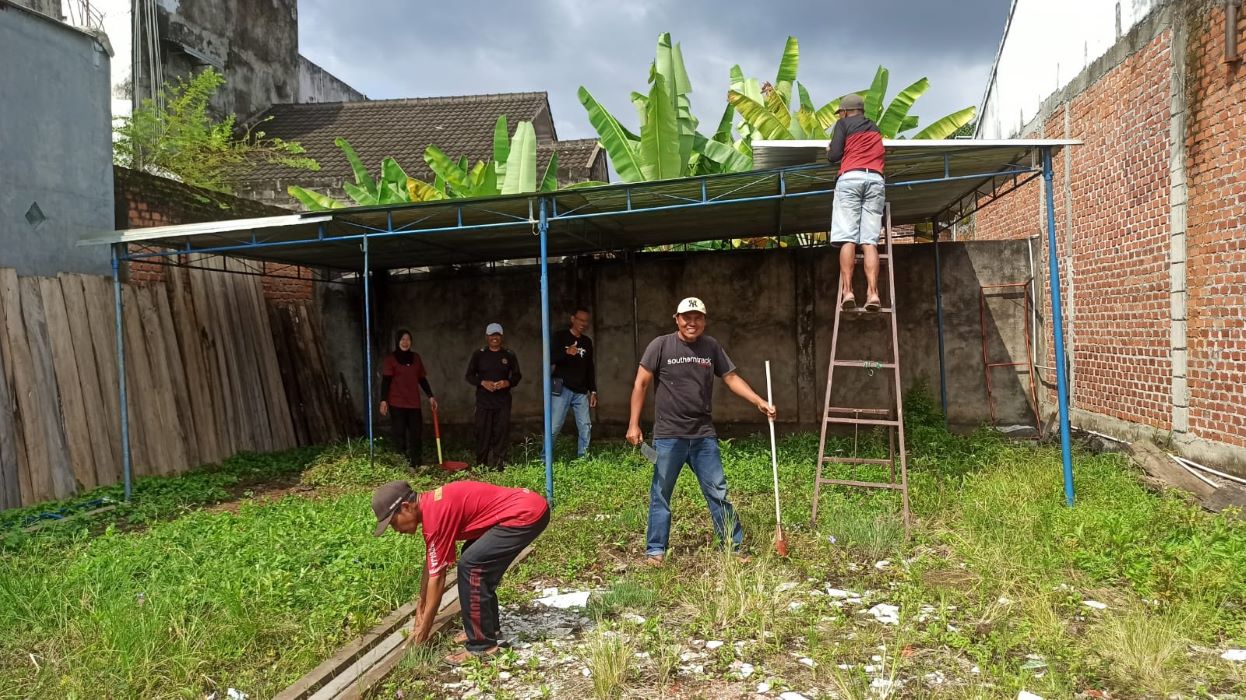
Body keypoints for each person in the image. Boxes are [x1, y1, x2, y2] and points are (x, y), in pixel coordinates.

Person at [625, 297, 776, 566]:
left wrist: (758, 401)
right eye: (686, 317)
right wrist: (633, 423)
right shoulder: (660, 346)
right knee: (661, 493)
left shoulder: (711, 347)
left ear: (704, 320)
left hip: (703, 435)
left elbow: (730, 378)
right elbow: (641, 384)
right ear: (677, 319)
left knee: (718, 491)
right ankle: (655, 550)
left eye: (697, 317)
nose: (691, 322)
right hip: (669, 436)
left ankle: (732, 546)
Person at [372, 479, 549, 663]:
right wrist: (421, 607)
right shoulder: (433, 508)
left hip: (525, 514)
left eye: (393, 523)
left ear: (406, 507)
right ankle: (490, 629)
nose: (396, 530)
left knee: (472, 566)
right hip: (528, 507)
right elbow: (431, 563)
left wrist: (424, 630)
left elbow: (437, 578)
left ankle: (483, 647)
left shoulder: (436, 517)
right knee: (472, 558)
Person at [826, 92, 886, 312]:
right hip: (876, 181)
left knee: (847, 238)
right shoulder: (875, 127)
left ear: (844, 112)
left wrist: (829, 151)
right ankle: (873, 294)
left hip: (851, 178)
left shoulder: (843, 125)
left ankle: (848, 291)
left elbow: (834, 156)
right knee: (869, 241)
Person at [465, 323, 522, 470]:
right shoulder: (479, 354)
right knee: (483, 432)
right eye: (491, 335)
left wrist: (507, 382)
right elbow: (469, 376)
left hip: (502, 401)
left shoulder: (509, 354)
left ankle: (499, 465)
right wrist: (482, 382)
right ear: (486, 337)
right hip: (484, 401)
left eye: (497, 335)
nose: (494, 338)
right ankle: (481, 465)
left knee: (501, 432)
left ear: (501, 337)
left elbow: (517, 376)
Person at [379, 329, 438, 468]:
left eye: (408, 339)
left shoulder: (416, 358)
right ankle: (402, 463)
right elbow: (386, 381)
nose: (405, 342)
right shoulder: (391, 360)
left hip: (413, 403)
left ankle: (416, 462)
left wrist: (430, 396)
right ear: (397, 341)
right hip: (397, 402)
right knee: (399, 433)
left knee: (416, 433)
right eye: (402, 339)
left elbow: (422, 379)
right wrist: (383, 400)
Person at [550, 307, 597, 458]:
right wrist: (566, 353)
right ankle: (546, 459)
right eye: (580, 320)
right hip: (561, 387)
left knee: (585, 426)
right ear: (573, 319)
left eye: (586, 321)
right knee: (554, 426)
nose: (583, 323)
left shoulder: (587, 342)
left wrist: (593, 390)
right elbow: (550, 358)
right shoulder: (560, 337)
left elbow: (590, 367)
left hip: (581, 391)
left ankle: (583, 459)